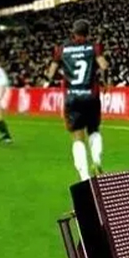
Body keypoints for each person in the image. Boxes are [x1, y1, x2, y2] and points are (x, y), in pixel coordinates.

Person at [46, 19, 110, 181]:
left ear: (73, 33)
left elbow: (51, 72)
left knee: (77, 136)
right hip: (91, 96)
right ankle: (96, 160)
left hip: (72, 97)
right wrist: (106, 82)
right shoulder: (93, 47)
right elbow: (104, 66)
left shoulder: (62, 50)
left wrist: (51, 79)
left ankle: (84, 176)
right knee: (94, 130)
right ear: (88, 32)